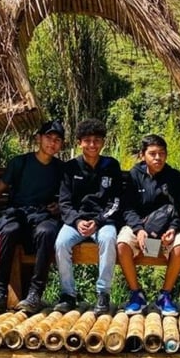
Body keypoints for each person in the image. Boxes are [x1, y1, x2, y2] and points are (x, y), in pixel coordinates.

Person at [0, 120, 66, 315]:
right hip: (18, 214)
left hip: (42, 216)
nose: (52, 143)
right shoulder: (20, 162)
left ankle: (35, 294)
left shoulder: (60, 168)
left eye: (57, 140)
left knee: (47, 232)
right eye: (48, 137)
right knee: (8, 230)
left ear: (61, 145)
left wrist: (59, 207)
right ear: (39, 138)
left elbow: (69, 197)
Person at [54, 118, 122, 315]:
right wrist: (77, 221)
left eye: (97, 140)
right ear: (79, 142)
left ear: (103, 142)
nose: (92, 145)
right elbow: (64, 203)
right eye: (87, 140)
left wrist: (98, 221)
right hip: (76, 221)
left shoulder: (111, 165)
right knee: (61, 243)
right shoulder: (70, 168)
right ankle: (68, 295)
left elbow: (115, 202)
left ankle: (103, 294)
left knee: (109, 239)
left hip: (103, 221)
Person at [117, 134, 180, 316]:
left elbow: (179, 209)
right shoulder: (134, 175)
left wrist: (172, 229)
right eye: (153, 153)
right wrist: (138, 230)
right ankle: (136, 294)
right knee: (122, 244)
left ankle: (165, 296)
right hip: (139, 227)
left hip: (167, 229)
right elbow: (128, 208)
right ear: (143, 155)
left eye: (162, 153)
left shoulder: (174, 177)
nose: (158, 158)